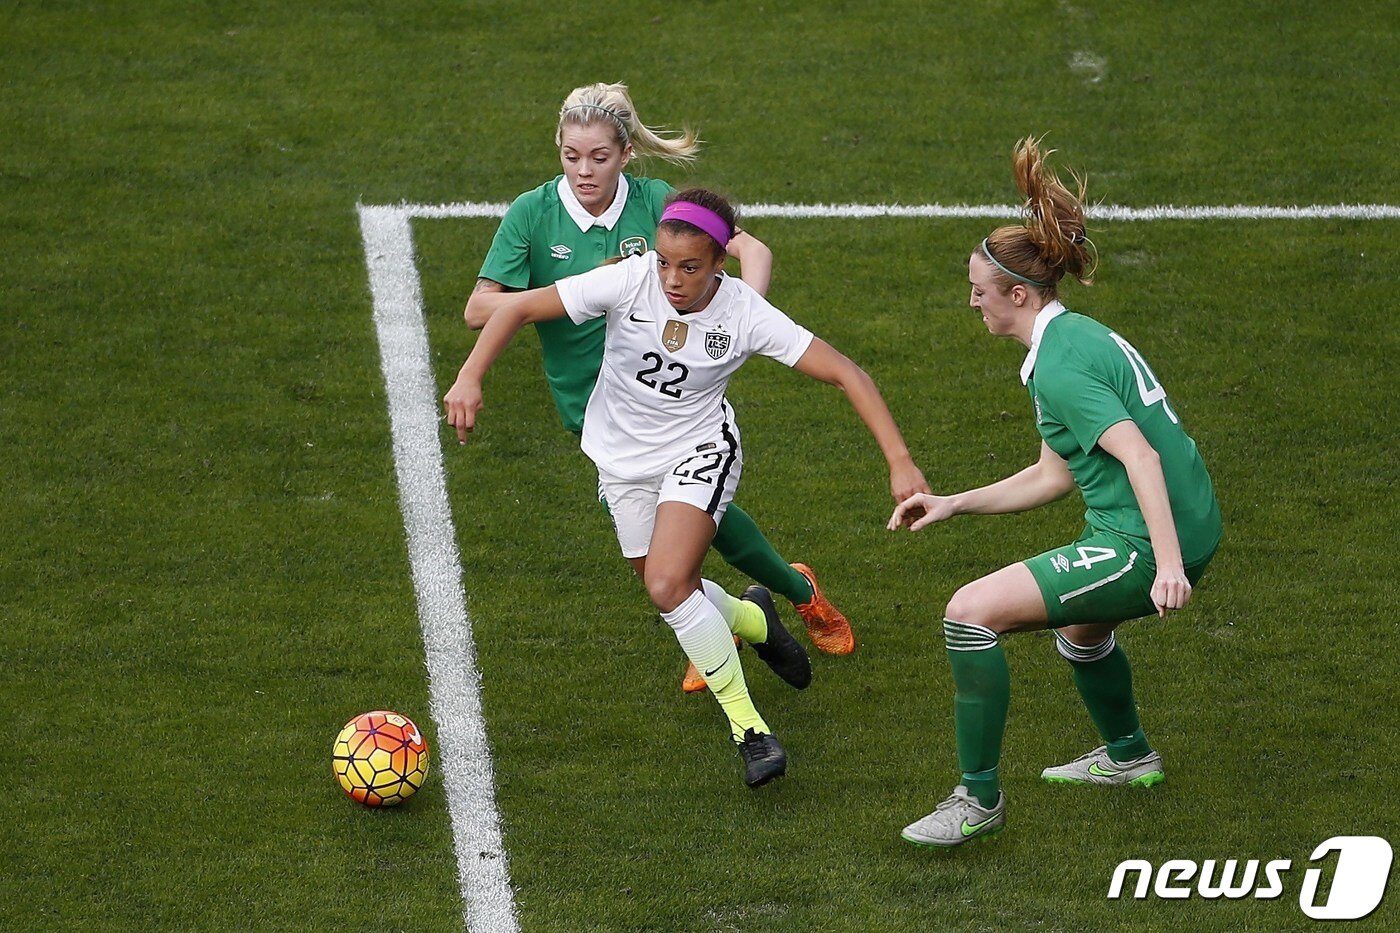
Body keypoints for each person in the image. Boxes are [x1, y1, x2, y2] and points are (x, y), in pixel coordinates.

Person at [445, 188, 929, 786]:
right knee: (667, 586)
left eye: (691, 267)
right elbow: (515, 309)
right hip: (619, 460)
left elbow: (847, 374)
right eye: (665, 262)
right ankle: (753, 619)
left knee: (668, 583)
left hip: (698, 449)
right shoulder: (630, 279)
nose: (672, 280)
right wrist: (470, 376)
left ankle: (750, 730)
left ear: (721, 261)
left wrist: (900, 462)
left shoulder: (745, 313)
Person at [463, 83, 855, 697]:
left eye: (598, 157)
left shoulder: (658, 204)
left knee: (701, 524)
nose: (584, 170)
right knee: (656, 544)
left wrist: (738, 318)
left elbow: (752, 250)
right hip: (589, 404)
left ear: (625, 154)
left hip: (672, 400)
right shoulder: (532, 214)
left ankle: (787, 598)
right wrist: (579, 287)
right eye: (571, 156)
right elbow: (478, 310)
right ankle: (740, 610)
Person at [890, 137, 1222, 847]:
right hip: (1184, 517)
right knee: (1081, 630)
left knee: (968, 614)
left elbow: (1139, 456)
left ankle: (977, 801)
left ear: (1018, 294)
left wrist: (1166, 566)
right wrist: (955, 501)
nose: (971, 299)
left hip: (1149, 539)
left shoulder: (1062, 367)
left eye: (979, 288)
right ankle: (1129, 757)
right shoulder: (1070, 339)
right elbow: (1055, 474)